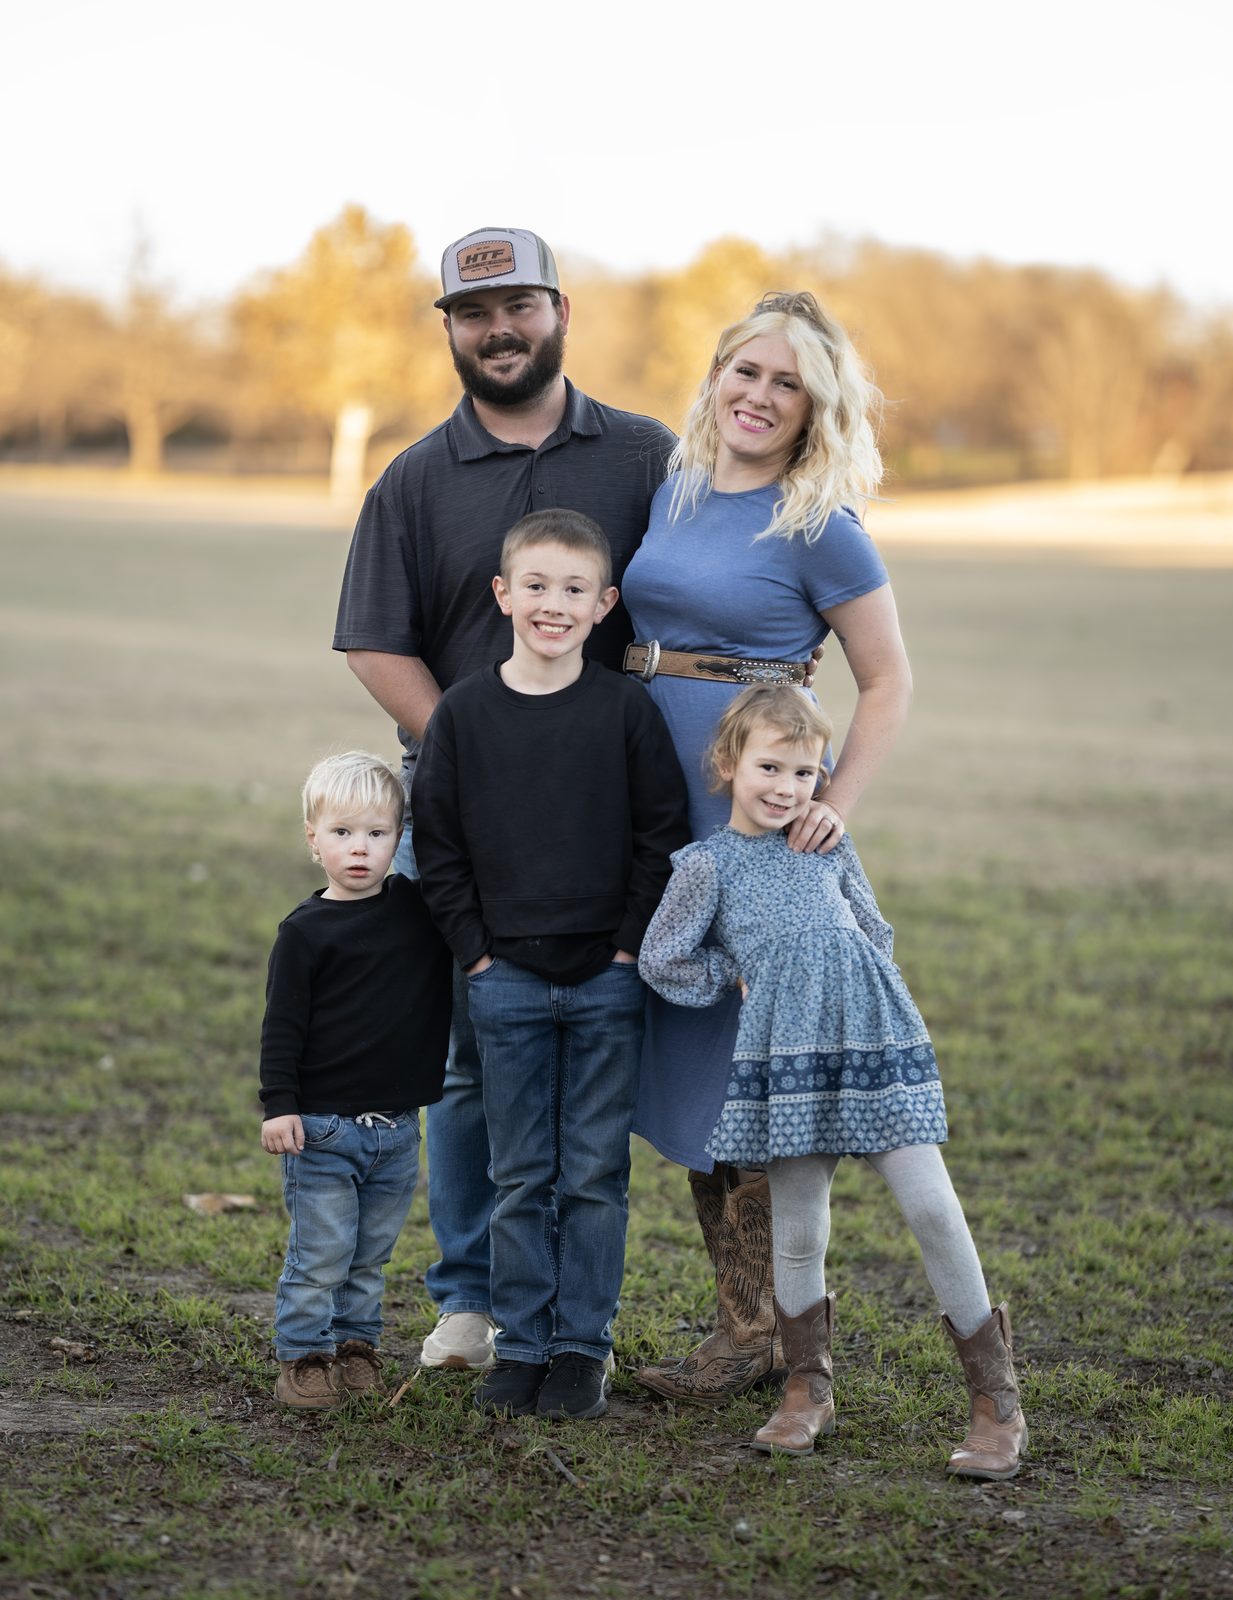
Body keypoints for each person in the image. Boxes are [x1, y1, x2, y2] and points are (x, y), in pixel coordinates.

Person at [333, 227, 673, 1372]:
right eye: (472, 315)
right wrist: (478, 752)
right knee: (474, 1063)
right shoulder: (415, 479)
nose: (497, 331)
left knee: (601, 1066)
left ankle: (581, 1319)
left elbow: (701, 595)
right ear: (450, 329)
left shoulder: (640, 457)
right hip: (463, 824)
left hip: (606, 822)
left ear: (558, 311)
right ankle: (473, 1299)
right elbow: (377, 644)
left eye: (516, 307)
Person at [619, 290, 912, 1404]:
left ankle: (778, 1333)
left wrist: (832, 802)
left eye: (783, 382)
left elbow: (886, 679)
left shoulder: (817, 520)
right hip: (656, 800)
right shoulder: (676, 488)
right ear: (716, 376)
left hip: (753, 819)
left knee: (752, 1059)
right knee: (689, 1041)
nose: (756, 395)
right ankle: (744, 1323)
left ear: (813, 406)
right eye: (744, 371)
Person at [639, 686, 1026, 1475]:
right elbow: (662, 956)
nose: (786, 786)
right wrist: (734, 972)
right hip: (787, 1060)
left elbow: (874, 927)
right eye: (769, 767)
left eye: (806, 771)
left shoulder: (827, 841)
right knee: (801, 1222)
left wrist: (854, 981)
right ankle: (807, 1387)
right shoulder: (706, 865)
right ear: (728, 765)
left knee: (931, 1206)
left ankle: (996, 1400)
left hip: (873, 1041)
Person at [412, 509, 688, 1419]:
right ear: (503, 594)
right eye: (536, 585)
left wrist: (626, 944)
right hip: (506, 982)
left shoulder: (625, 711)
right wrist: (477, 957)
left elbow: (660, 838)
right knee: (523, 1173)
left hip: (607, 977)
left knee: (593, 1173)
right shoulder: (463, 713)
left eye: (575, 590)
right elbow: (441, 848)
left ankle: (580, 1349)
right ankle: (521, 1344)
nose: (554, 604)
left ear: (605, 604)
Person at [259, 752, 452, 1410]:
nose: (361, 849)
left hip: (396, 1129)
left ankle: (354, 1345)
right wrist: (279, 1107)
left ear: (400, 837)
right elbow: (281, 1028)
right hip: (323, 1129)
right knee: (322, 1251)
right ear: (313, 838)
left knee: (370, 1253)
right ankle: (304, 1356)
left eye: (377, 833)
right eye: (342, 833)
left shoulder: (419, 913)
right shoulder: (305, 933)